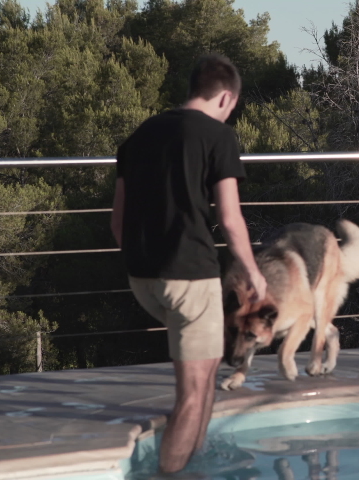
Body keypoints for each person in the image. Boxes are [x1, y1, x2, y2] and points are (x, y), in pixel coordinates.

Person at [110, 54, 267, 474]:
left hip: (143, 278)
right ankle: (173, 471)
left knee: (209, 368)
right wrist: (253, 272)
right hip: (190, 277)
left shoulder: (140, 135)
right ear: (226, 98)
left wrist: (142, 262)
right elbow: (230, 218)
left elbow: (117, 222)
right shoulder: (218, 136)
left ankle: (194, 463)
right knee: (193, 394)